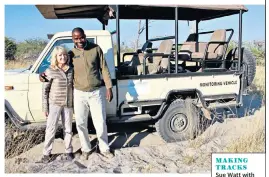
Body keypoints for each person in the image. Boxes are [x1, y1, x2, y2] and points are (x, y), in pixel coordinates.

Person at [40, 27, 114, 160]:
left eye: (81, 37)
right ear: (72, 39)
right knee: (80, 123)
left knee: (100, 121)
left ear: (85, 36)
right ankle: (86, 148)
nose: (79, 40)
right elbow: (57, 66)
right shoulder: (70, 54)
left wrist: (109, 87)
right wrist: (43, 76)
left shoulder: (96, 49)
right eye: (76, 38)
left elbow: (104, 68)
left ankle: (104, 148)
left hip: (96, 92)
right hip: (79, 93)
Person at [40, 46, 74, 163]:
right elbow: (45, 90)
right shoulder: (49, 71)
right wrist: (45, 107)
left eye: (64, 55)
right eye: (60, 55)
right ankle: (46, 153)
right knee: (51, 129)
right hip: (54, 104)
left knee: (68, 129)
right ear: (55, 57)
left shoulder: (71, 70)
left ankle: (69, 150)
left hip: (68, 104)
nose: (63, 57)